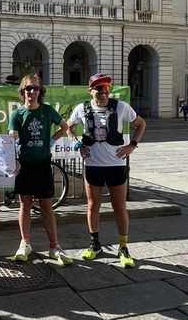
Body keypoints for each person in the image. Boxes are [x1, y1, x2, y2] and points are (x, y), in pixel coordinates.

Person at [67, 73, 146, 268]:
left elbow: (141, 124)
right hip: (93, 164)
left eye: (105, 88)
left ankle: (123, 247)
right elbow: (68, 127)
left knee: (119, 206)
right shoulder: (81, 109)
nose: (102, 92)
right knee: (93, 206)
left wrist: (132, 145)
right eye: (98, 88)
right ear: (90, 90)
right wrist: (77, 144)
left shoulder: (120, 107)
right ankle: (95, 245)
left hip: (116, 164)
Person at [8, 74, 73, 266]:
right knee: (24, 205)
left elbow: (64, 126)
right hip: (25, 165)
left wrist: (52, 139)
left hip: (43, 164)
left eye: (35, 88)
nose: (32, 92)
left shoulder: (47, 110)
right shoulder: (17, 114)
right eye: (28, 88)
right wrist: (15, 158)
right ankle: (25, 243)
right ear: (23, 91)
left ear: (40, 91)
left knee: (47, 208)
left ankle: (54, 247)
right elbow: (11, 136)